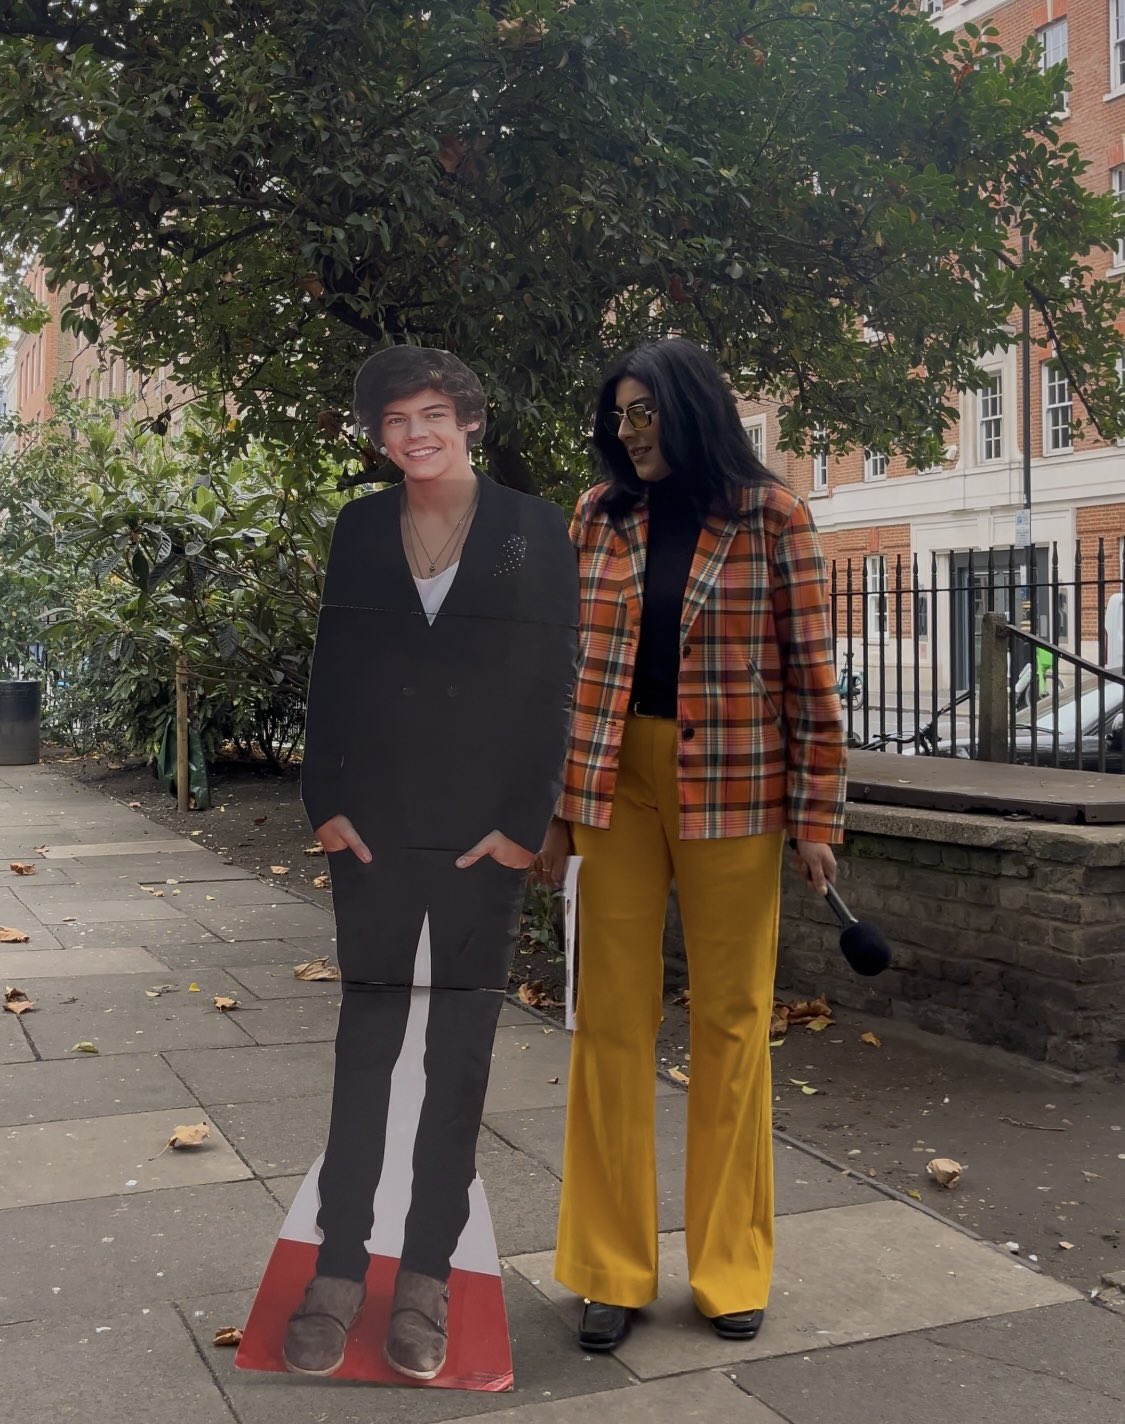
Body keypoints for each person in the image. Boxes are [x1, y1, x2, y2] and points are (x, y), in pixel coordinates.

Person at [539, 337, 846, 1352]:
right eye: (619, 418)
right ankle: (608, 1268)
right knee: (609, 1025)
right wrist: (548, 807)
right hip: (611, 783)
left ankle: (729, 1267)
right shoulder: (594, 515)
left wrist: (817, 818)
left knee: (731, 1024)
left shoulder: (773, 518)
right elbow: (561, 664)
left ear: (692, 411)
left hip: (738, 791)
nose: (631, 435)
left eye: (646, 415)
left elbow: (811, 678)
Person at [284, 347, 577, 1381]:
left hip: (477, 836)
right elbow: (338, 663)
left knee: (456, 1057)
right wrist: (326, 804)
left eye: (434, 414)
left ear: (469, 420)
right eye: (397, 419)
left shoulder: (526, 533)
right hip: (373, 827)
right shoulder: (362, 529)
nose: (416, 432)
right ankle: (335, 1270)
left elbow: (548, 678)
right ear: (378, 434)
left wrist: (522, 822)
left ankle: (424, 1279)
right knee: (365, 1045)